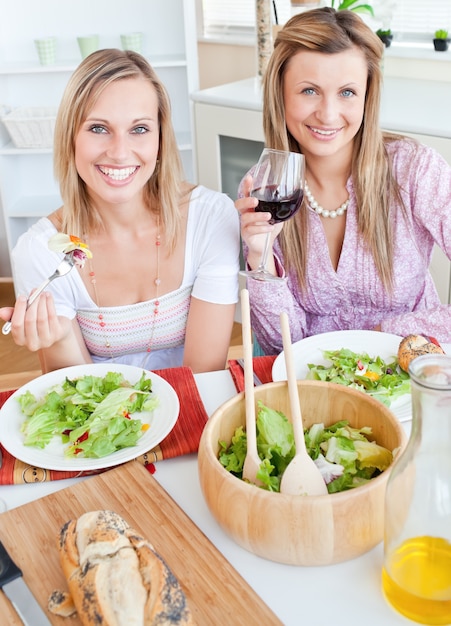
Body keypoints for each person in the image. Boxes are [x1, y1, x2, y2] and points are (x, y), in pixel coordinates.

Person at [0, 49, 240, 373]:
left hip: (193, 405)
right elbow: (76, 397)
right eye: (99, 128)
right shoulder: (42, 251)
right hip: (104, 419)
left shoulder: (210, 219)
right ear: (71, 137)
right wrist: (58, 340)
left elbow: (204, 375)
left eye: (139, 129)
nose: (119, 152)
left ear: (160, 139)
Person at [236, 8, 451, 355]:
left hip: (408, 377)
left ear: (368, 95)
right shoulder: (264, 187)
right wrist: (260, 258)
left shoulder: (415, 170)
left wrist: (384, 333)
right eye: (309, 90)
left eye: (347, 92)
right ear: (280, 93)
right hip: (315, 385)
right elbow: (280, 345)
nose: (328, 114)